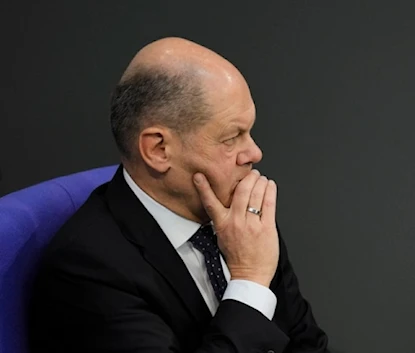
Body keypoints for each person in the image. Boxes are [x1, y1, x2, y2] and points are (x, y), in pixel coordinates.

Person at [28, 37, 329, 353]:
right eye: (232, 137)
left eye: (250, 132)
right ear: (158, 149)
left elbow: (308, 343)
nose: (254, 152)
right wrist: (249, 283)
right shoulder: (89, 270)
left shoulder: (243, 221)